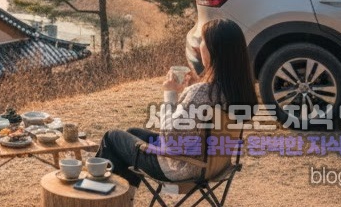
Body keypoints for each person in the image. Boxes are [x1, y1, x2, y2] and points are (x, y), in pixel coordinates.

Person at [95, 18, 257, 187]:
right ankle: (124, 199)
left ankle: (101, 197)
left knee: (111, 138)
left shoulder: (201, 93)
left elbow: (169, 139)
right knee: (132, 133)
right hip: (212, 166)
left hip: (180, 167)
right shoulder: (238, 91)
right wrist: (193, 88)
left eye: (203, 41)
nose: (199, 46)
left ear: (214, 50)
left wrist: (170, 94)